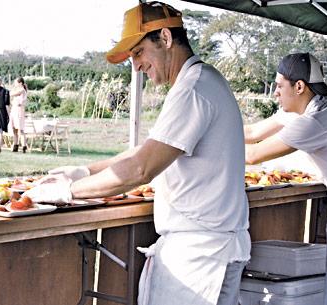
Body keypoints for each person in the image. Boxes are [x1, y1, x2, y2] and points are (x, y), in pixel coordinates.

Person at [24, 2, 250, 305]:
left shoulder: (193, 90)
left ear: (166, 39)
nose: (136, 65)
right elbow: (147, 151)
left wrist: (68, 191)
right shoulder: (200, 81)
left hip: (201, 255)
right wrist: (85, 171)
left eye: (139, 52)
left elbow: (141, 169)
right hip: (208, 248)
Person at [244, 52, 327, 305]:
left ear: (300, 86)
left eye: (279, 86)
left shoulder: (315, 121)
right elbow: (252, 132)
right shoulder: (308, 106)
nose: (275, 93)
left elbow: (253, 154)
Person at [9, 77, 27, 153]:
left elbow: (11, 94)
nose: (14, 84)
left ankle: (23, 146)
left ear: (20, 83)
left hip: (18, 110)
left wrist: (13, 88)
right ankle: (15, 145)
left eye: (16, 82)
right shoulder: (19, 90)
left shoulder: (22, 90)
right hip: (14, 110)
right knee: (14, 129)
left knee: (20, 129)